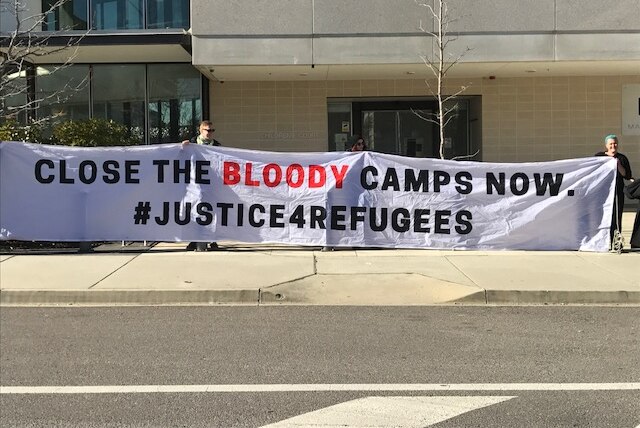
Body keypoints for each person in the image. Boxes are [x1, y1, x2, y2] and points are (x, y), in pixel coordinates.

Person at [183, 120, 220, 251]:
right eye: (207, 130)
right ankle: (194, 240)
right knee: (194, 211)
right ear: (201, 130)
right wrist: (182, 147)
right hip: (195, 184)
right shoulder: (191, 144)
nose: (210, 133)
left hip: (211, 184)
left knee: (211, 211)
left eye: (212, 131)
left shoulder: (217, 146)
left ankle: (212, 240)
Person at [595, 134, 632, 249]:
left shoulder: (622, 158)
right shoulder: (599, 156)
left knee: (616, 218)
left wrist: (618, 165)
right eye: (611, 144)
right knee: (602, 217)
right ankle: (602, 242)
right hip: (603, 193)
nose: (613, 146)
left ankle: (616, 243)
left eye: (615, 143)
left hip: (617, 193)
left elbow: (627, 175)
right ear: (606, 145)